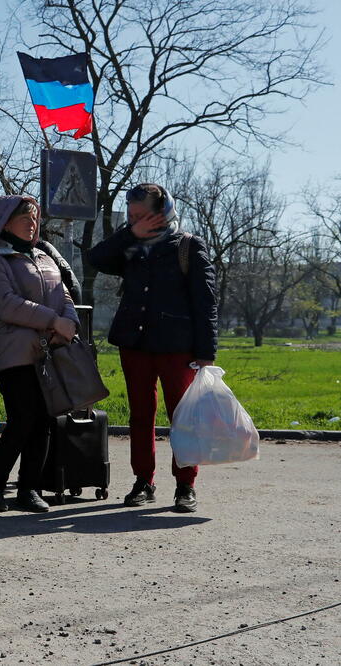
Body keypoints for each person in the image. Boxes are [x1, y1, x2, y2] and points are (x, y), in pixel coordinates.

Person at [89, 183, 217, 513]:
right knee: (140, 415)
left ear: (163, 212)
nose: (136, 221)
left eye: (143, 216)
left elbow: (205, 303)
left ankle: (185, 485)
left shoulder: (188, 246)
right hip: (135, 344)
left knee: (183, 417)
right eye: (131, 216)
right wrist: (130, 233)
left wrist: (206, 353)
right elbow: (96, 259)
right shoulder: (129, 244)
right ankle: (143, 481)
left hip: (177, 347)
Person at [0, 196, 79, 513]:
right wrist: (53, 321)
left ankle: (29, 489)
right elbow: (4, 303)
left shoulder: (44, 257)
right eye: (25, 218)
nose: (33, 224)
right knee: (22, 420)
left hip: (49, 353)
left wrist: (69, 323)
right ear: (5, 223)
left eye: (35, 218)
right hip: (15, 354)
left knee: (45, 421)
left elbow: (65, 296)